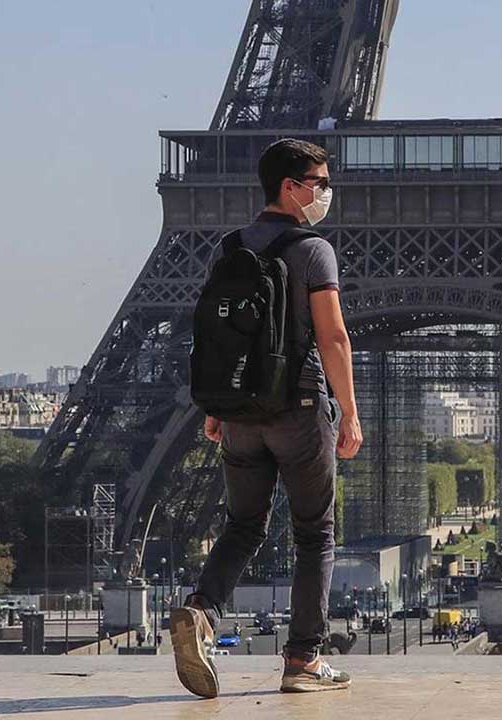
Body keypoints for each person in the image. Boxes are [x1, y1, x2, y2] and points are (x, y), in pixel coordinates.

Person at [170, 138, 362, 698]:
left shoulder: (231, 247)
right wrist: (349, 413)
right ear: (290, 186)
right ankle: (303, 659)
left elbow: (216, 336)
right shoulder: (313, 250)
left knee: (243, 525)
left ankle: (201, 611)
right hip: (298, 409)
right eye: (320, 183)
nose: (326, 192)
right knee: (315, 534)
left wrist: (216, 407)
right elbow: (333, 336)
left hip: (239, 412)